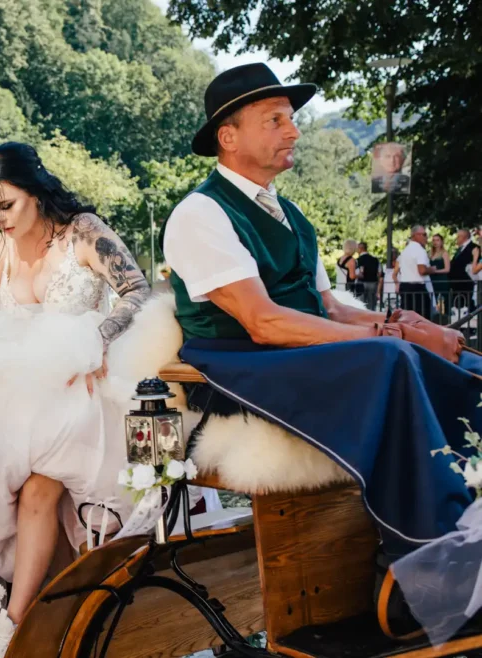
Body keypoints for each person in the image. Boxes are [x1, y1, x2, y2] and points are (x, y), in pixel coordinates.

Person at [162, 62, 476, 644]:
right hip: (237, 367)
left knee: (465, 364)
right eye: (275, 120)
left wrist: (402, 320)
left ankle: (471, 529)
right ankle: (423, 576)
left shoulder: (293, 216)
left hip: (295, 351)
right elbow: (262, 322)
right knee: (393, 361)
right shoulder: (199, 213)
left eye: (291, 119)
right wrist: (395, 338)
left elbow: (331, 311)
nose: (294, 132)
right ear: (228, 137)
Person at [0, 142, 151, 658]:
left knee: (44, 491)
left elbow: (137, 291)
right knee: (17, 492)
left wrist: (100, 338)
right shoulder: (2, 248)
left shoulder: (83, 231)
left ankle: (17, 624)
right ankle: (41, 610)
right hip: (18, 392)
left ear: (36, 193)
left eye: (7, 205)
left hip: (80, 387)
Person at [396, 226, 436, 319]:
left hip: (405, 287)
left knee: (407, 318)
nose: (426, 237)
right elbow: (422, 270)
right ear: (416, 235)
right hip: (417, 288)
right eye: (424, 234)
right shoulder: (419, 250)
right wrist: (432, 269)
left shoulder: (405, 251)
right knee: (422, 318)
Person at [449, 228, 480, 311]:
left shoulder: (474, 248)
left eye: (458, 236)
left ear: (464, 237)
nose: (456, 238)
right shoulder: (460, 249)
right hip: (456, 286)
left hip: (467, 285)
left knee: (468, 309)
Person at [429, 234, 451, 321]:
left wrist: (435, 271)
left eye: (437, 240)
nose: (435, 242)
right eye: (434, 240)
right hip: (432, 280)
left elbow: (447, 269)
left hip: (441, 279)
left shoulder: (444, 253)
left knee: (442, 300)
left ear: (441, 241)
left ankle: (444, 319)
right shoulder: (430, 253)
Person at [355, 242, 381, 311]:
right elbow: (379, 273)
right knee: (372, 304)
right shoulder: (375, 260)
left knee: (361, 303)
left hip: (361, 283)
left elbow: (356, 273)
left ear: (360, 249)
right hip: (373, 283)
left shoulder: (358, 260)